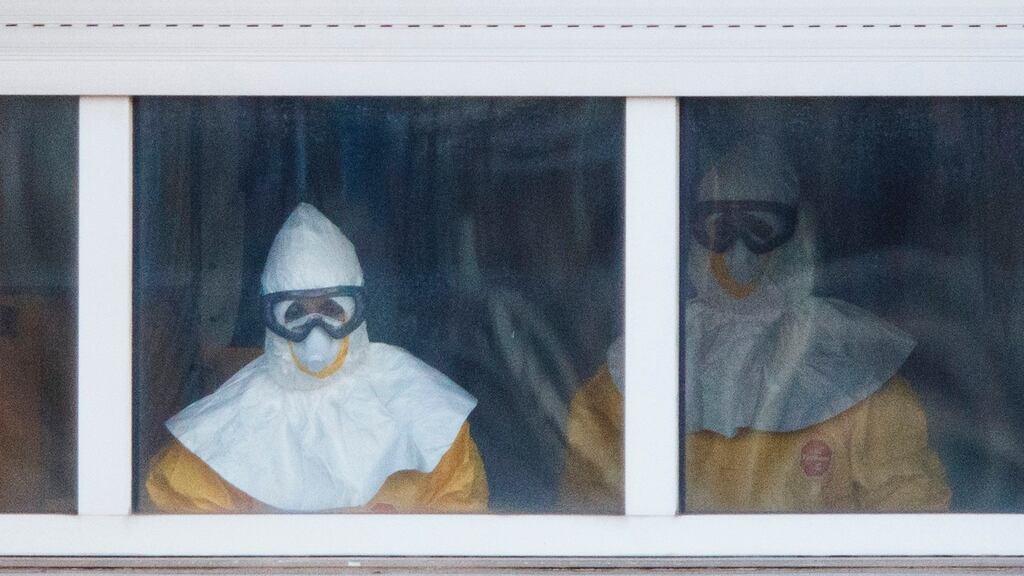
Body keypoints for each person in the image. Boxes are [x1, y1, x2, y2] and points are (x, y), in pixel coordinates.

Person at [561, 138, 951, 512]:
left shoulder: (857, 380)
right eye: (720, 228)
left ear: (798, 235)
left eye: (762, 229)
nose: (739, 252)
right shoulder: (632, 377)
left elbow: (914, 519)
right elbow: (587, 517)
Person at [146, 203, 488, 513]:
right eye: (295, 312)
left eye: (331, 309)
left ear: (357, 310)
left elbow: (459, 531)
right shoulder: (215, 442)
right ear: (270, 317)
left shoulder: (426, 418)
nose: (315, 333)